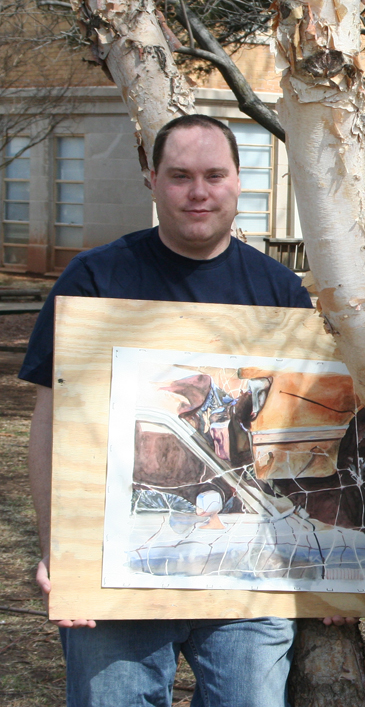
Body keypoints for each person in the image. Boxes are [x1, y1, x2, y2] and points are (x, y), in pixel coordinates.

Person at [21, 114, 313, 707]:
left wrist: (331, 581)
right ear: (152, 180)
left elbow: (294, 434)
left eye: (213, 175)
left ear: (238, 181)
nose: (198, 192)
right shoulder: (95, 280)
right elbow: (51, 424)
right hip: (116, 565)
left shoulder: (281, 293)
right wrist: (61, 550)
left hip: (245, 575)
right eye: (180, 176)